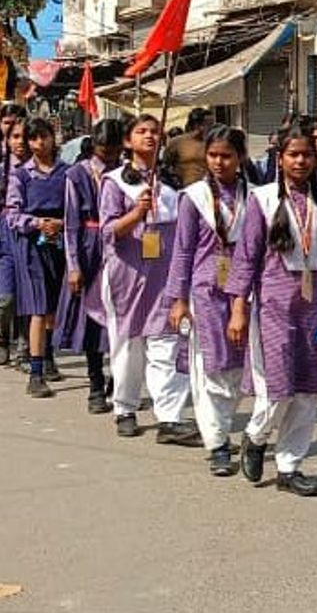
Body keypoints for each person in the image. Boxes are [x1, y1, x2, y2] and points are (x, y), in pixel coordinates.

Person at [227, 119, 317, 497]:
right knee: (278, 388)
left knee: (307, 389)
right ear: (280, 158)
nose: (301, 161)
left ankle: (291, 464)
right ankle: (256, 437)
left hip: (315, 304)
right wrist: (239, 308)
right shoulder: (262, 199)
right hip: (274, 302)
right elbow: (245, 258)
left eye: (307, 154)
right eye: (293, 155)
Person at [100, 115, 198, 444]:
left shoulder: (173, 182)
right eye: (141, 132)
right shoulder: (115, 181)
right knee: (128, 344)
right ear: (128, 141)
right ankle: (124, 407)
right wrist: (136, 214)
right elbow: (109, 230)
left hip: (165, 273)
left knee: (166, 342)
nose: (150, 137)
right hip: (127, 274)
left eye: (155, 131)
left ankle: (169, 416)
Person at [166, 126, 250, 476]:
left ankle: (230, 428)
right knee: (209, 367)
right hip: (205, 291)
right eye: (212, 155)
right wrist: (178, 298)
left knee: (239, 368)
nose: (218, 162)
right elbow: (182, 250)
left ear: (241, 158)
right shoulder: (194, 197)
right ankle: (216, 442)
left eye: (226, 156)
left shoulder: (256, 196)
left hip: (244, 293)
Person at [54, 119, 124, 413]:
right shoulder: (76, 174)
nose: (107, 156)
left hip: (120, 247)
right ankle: (95, 383)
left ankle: (118, 382)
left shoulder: (125, 173)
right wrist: (73, 266)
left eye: (113, 150)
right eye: (103, 150)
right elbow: (70, 224)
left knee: (120, 320)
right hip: (87, 247)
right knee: (91, 322)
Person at [8, 118, 70, 397]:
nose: (38, 143)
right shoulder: (20, 175)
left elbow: (77, 211)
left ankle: (47, 356)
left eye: (43, 137)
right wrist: (37, 223)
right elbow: (12, 215)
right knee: (37, 306)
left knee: (53, 307)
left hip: (60, 245)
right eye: (33, 139)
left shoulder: (67, 173)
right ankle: (35, 373)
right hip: (33, 246)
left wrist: (61, 224)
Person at [0, 103, 27, 366]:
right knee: (6, 297)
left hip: (29, 235)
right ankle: (2, 338)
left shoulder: (38, 165)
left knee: (27, 293)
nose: (17, 138)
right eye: (8, 127)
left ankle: (25, 346)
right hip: (4, 231)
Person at [163, 108, 213, 188]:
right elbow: (165, 166)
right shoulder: (177, 143)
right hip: (183, 189)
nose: (211, 127)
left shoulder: (211, 143)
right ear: (198, 125)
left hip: (206, 189)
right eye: (209, 124)